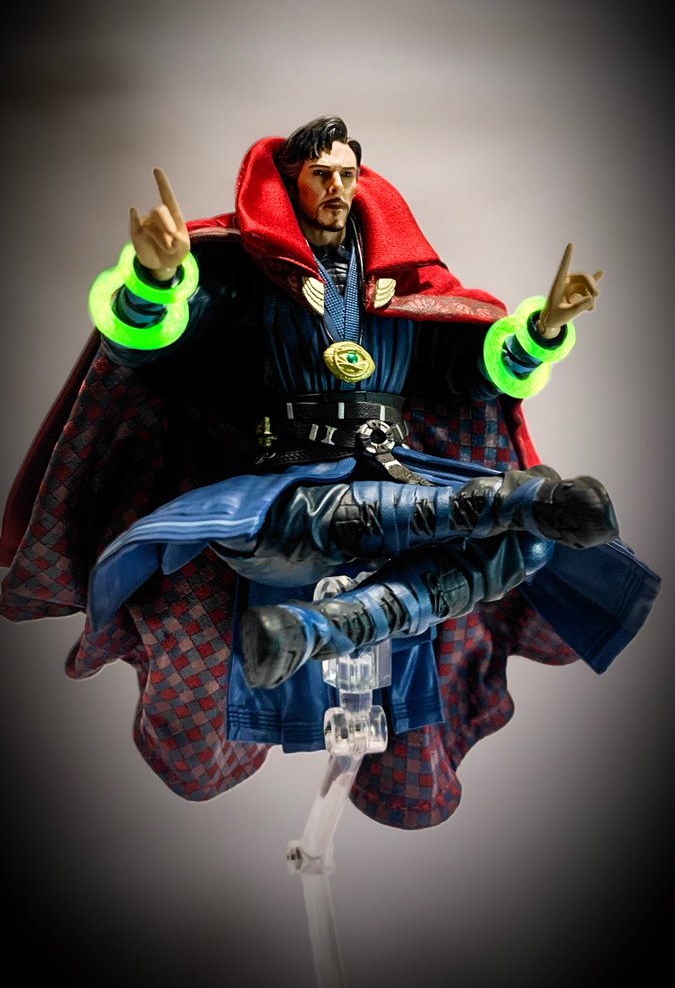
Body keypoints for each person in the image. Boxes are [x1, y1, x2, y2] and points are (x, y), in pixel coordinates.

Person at [0, 117, 659, 829]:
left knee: (531, 549)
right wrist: (156, 281)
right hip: (281, 488)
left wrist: (540, 331)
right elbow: (149, 345)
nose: (337, 187)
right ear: (292, 186)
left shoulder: (401, 289)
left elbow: (469, 375)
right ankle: (510, 501)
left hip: (395, 468)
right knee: (366, 523)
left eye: (347, 174)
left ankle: (329, 624)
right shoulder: (244, 275)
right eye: (321, 175)